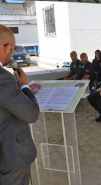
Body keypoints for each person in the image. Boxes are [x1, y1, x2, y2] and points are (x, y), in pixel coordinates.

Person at [0, 24, 40, 185]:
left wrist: (18, 92)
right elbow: (31, 114)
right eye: (13, 48)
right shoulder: (4, 79)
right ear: (7, 47)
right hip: (10, 157)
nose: (12, 53)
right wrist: (23, 85)